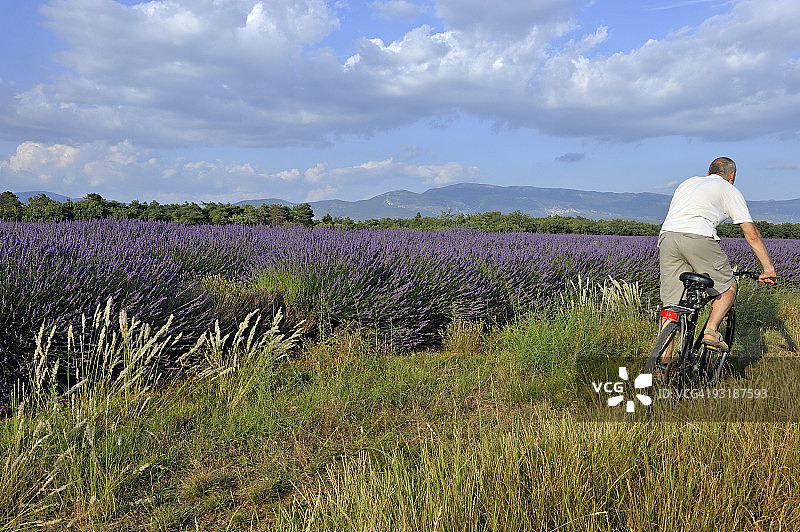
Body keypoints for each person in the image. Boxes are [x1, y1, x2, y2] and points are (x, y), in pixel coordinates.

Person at [658, 157, 776, 355]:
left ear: (708, 172)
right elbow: (752, 234)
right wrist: (768, 269)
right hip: (698, 236)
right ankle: (711, 331)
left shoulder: (688, 183)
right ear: (732, 176)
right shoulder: (728, 189)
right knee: (728, 287)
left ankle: (662, 369)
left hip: (667, 237)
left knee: (671, 307)